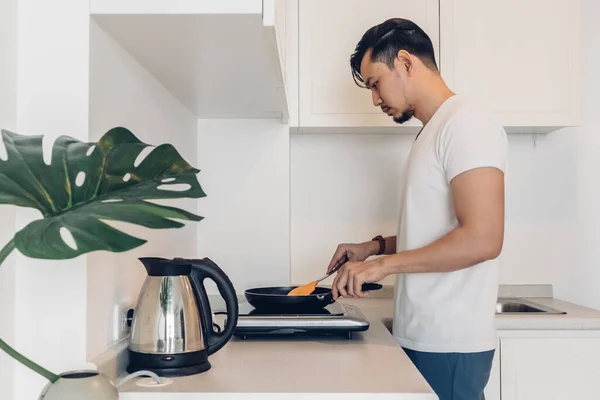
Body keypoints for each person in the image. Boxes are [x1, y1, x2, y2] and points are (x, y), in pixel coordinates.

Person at [326, 18, 508, 400]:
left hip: (450, 343)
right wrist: (375, 248)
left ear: (406, 63)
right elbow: (436, 228)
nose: (375, 99)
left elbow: (483, 238)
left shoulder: (467, 124)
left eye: (375, 83)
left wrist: (382, 266)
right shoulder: (435, 130)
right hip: (425, 338)